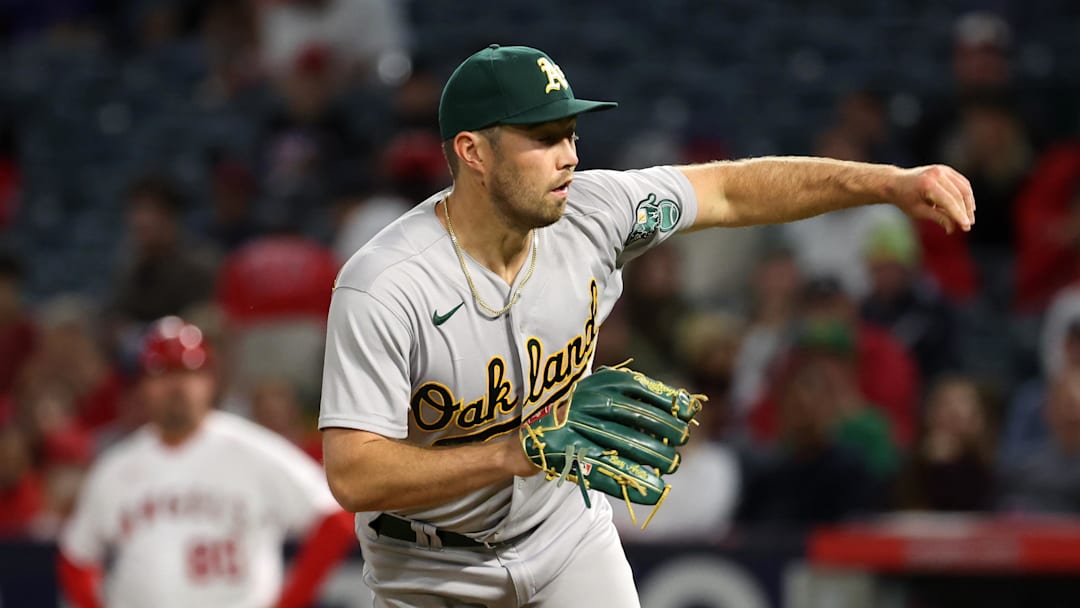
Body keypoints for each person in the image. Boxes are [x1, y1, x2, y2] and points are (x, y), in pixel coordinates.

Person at [319, 44, 975, 607]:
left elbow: (728, 190)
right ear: (473, 152)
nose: (569, 156)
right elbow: (353, 474)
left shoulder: (597, 213)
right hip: (429, 569)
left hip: (563, 534)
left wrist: (887, 184)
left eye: (571, 133)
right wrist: (510, 452)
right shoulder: (386, 285)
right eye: (544, 138)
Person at [58, 317, 355, 608]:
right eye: (163, 373)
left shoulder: (253, 450)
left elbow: (335, 518)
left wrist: (290, 601)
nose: (177, 386)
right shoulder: (117, 467)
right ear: (143, 385)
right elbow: (75, 555)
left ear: (210, 380)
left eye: (188, 372)